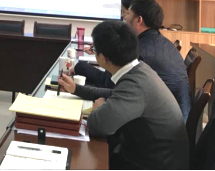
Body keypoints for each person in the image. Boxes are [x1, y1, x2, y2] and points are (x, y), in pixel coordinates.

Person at [59, 21, 189, 170]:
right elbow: (113, 93)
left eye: (94, 50)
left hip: (151, 164)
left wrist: (98, 109)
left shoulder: (135, 85)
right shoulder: (140, 69)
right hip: (149, 156)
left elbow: (98, 125)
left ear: (104, 58)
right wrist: (76, 89)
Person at [74, 0, 192, 120]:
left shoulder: (137, 51)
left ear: (139, 20)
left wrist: (80, 66)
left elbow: (109, 85)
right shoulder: (165, 44)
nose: (124, 18)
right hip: (178, 117)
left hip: (157, 122)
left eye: (128, 13)